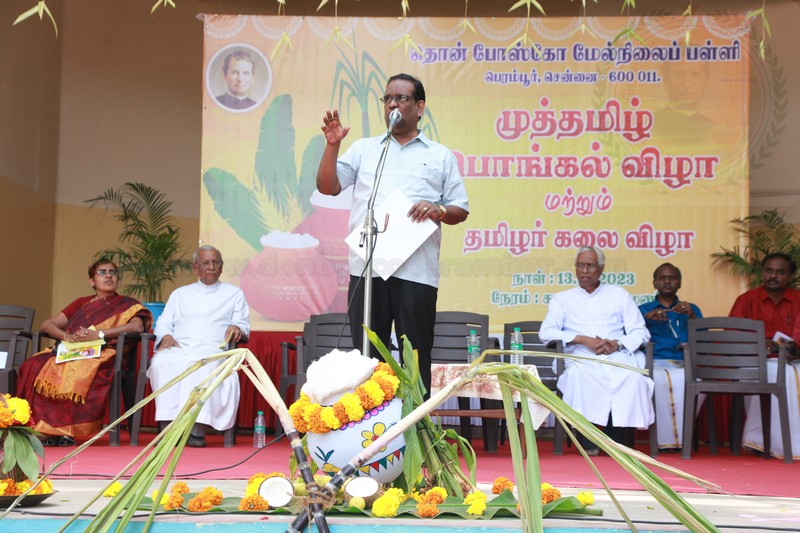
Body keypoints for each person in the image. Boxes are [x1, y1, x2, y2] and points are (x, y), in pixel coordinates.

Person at [315, 73, 469, 396]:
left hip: (417, 272)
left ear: (419, 107)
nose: (392, 105)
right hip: (367, 271)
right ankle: (372, 425)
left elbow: (460, 209)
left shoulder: (440, 155)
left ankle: (417, 424)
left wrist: (438, 209)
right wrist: (332, 146)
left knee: (415, 358)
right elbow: (328, 186)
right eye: (387, 99)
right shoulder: (365, 149)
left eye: (401, 98)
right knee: (367, 360)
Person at [17, 259, 151, 446]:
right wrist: (67, 337)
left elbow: (137, 326)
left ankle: (65, 430)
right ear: (91, 281)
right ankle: (40, 428)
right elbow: (47, 324)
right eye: (102, 272)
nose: (108, 276)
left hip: (104, 352)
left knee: (78, 368)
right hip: (72, 350)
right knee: (33, 364)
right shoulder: (82, 303)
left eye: (112, 272)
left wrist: (99, 334)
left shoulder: (128, 304)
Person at [539, 247, 654, 453]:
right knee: (580, 377)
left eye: (590, 266)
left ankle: (619, 444)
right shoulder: (562, 299)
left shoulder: (618, 294)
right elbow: (546, 332)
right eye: (580, 265)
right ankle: (588, 443)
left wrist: (617, 343)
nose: (584, 270)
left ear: (600, 269)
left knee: (632, 378)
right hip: (581, 355)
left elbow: (641, 331)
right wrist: (583, 339)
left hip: (615, 354)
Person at [147, 245, 250, 447]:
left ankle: (195, 431)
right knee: (161, 363)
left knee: (201, 366)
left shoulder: (234, 294)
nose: (211, 267)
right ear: (195, 267)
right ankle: (168, 429)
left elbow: (242, 323)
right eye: (205, 263)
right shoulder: (180, 294)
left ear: (221, 266)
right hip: (179, 348)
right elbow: (164, 322)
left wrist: (237, 327)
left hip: (214, 349)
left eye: (215, 262)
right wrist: (165, 335)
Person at [732, 252, 800, 460]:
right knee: (761, 374)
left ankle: (793, 442)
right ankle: (758, 441)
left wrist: (793, 349)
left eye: (780, 272)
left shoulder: (798, 299)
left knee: (792, 376)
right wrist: (758, 344)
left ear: (790, 276)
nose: (773, 276)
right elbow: (732, 336)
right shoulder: (746, 300)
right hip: (754, 359)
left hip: (793, 361)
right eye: (769, 270)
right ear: (762, 272)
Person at [638, 263, 702, 450]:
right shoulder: (642, 310)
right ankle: (664, 441)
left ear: (679, 283)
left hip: (684, 362)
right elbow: (632, 338)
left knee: (693, 382)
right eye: (662, 278)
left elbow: (703, 338)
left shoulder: (691, 309)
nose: (667, 281)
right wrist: (645, 320)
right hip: (655, 362)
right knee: (657, 382)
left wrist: (692, 316)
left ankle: (683, 439)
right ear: (654, 283)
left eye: (672, 278)